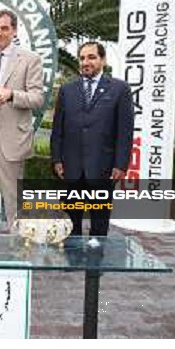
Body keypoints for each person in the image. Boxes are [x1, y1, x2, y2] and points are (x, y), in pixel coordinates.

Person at [50, 41, 134, 237]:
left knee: (99, 228)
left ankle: (95, 267)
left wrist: (121, 165)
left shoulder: (119, 89)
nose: (85, 62)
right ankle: (71, 264)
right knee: (71, 227)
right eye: (82, 58)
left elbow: (125, 131)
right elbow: (58, 129)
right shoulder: (67, 90)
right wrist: (57, 160)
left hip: (103, 170)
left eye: (91, 57)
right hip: (71, 169)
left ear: (103, 60)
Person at [0, 9, 44, 233]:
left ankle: (18, 245)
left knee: (12, 197)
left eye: (4, 28)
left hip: (12, 137)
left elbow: (37, 98)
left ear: (14, 30)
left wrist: (11, 94)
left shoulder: (30, 59)